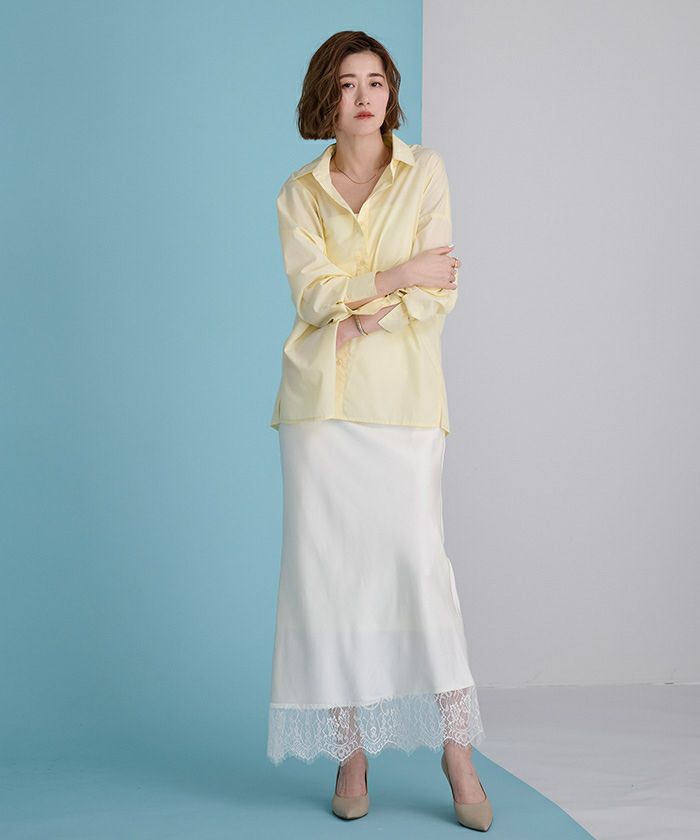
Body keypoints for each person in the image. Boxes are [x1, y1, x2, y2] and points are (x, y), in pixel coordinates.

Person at [266, 31, 493, 831]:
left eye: (375, 81)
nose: (363, 96)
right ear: (324, 98)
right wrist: (393, 279)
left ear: (391, 92)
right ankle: (349, 753)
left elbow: (440, 291)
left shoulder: (425, 172)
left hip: (404, 404)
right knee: (325, 579)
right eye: (346, 83)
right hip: (320, 409)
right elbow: (313, 297)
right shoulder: (300, 193)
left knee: (418, 568)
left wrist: (361, 314)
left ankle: (456, 752)